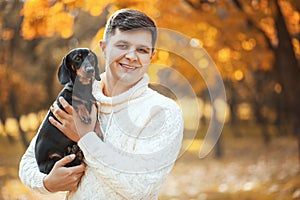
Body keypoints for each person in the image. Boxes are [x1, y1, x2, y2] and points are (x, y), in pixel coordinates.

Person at [19, 8, 183, 199]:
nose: (131, 56)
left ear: (151, 56)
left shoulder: (164, 112)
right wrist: (46, 183)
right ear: (104, 48)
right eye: (122, 46)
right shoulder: (74, 98)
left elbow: (141, 189)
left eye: (142, 50)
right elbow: (29, 161)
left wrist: (85, 137)